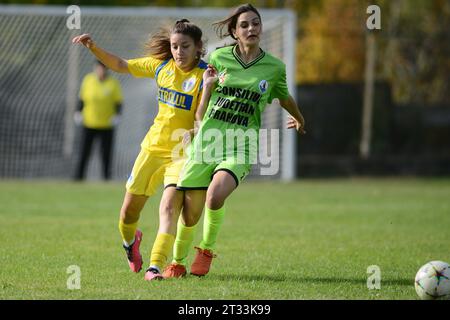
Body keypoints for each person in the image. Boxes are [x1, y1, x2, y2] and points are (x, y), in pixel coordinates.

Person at [163, 3, 306, 279]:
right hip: (208, 140)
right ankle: (177, 263)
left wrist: (300, 118)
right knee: (190, 214)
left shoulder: (274, 68)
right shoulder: (218, 58)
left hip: (241, 143)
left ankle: (206, 249)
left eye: (256, 23)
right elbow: (203, 105)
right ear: (234, 31)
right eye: (244, 25)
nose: (251, 28)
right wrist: (202, 101)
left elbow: (285, 97)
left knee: (215, 196)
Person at [72, 19, 208, 281]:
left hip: (182, 153)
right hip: (152, 148)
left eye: (185, 46)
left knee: (169, 207)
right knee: (127, 214)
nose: (179, 52)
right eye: (175, 46)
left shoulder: (205, 75)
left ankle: (155, 267)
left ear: (198, 47)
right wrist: (94, 48)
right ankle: (129, 242)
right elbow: (122, 65)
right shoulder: (160, 67)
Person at [74, 60, 123, 181]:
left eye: (103, 68)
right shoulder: (88, 80)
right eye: (98, 68)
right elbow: (82, 98)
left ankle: (106, 179)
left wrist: (117, 115)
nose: (100, 70)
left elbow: (118, 102)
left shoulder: (113, 83)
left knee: (106, 154)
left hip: (106, 125)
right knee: (84, 153)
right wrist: (78, 112)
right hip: (89, 123)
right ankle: (78, 178)